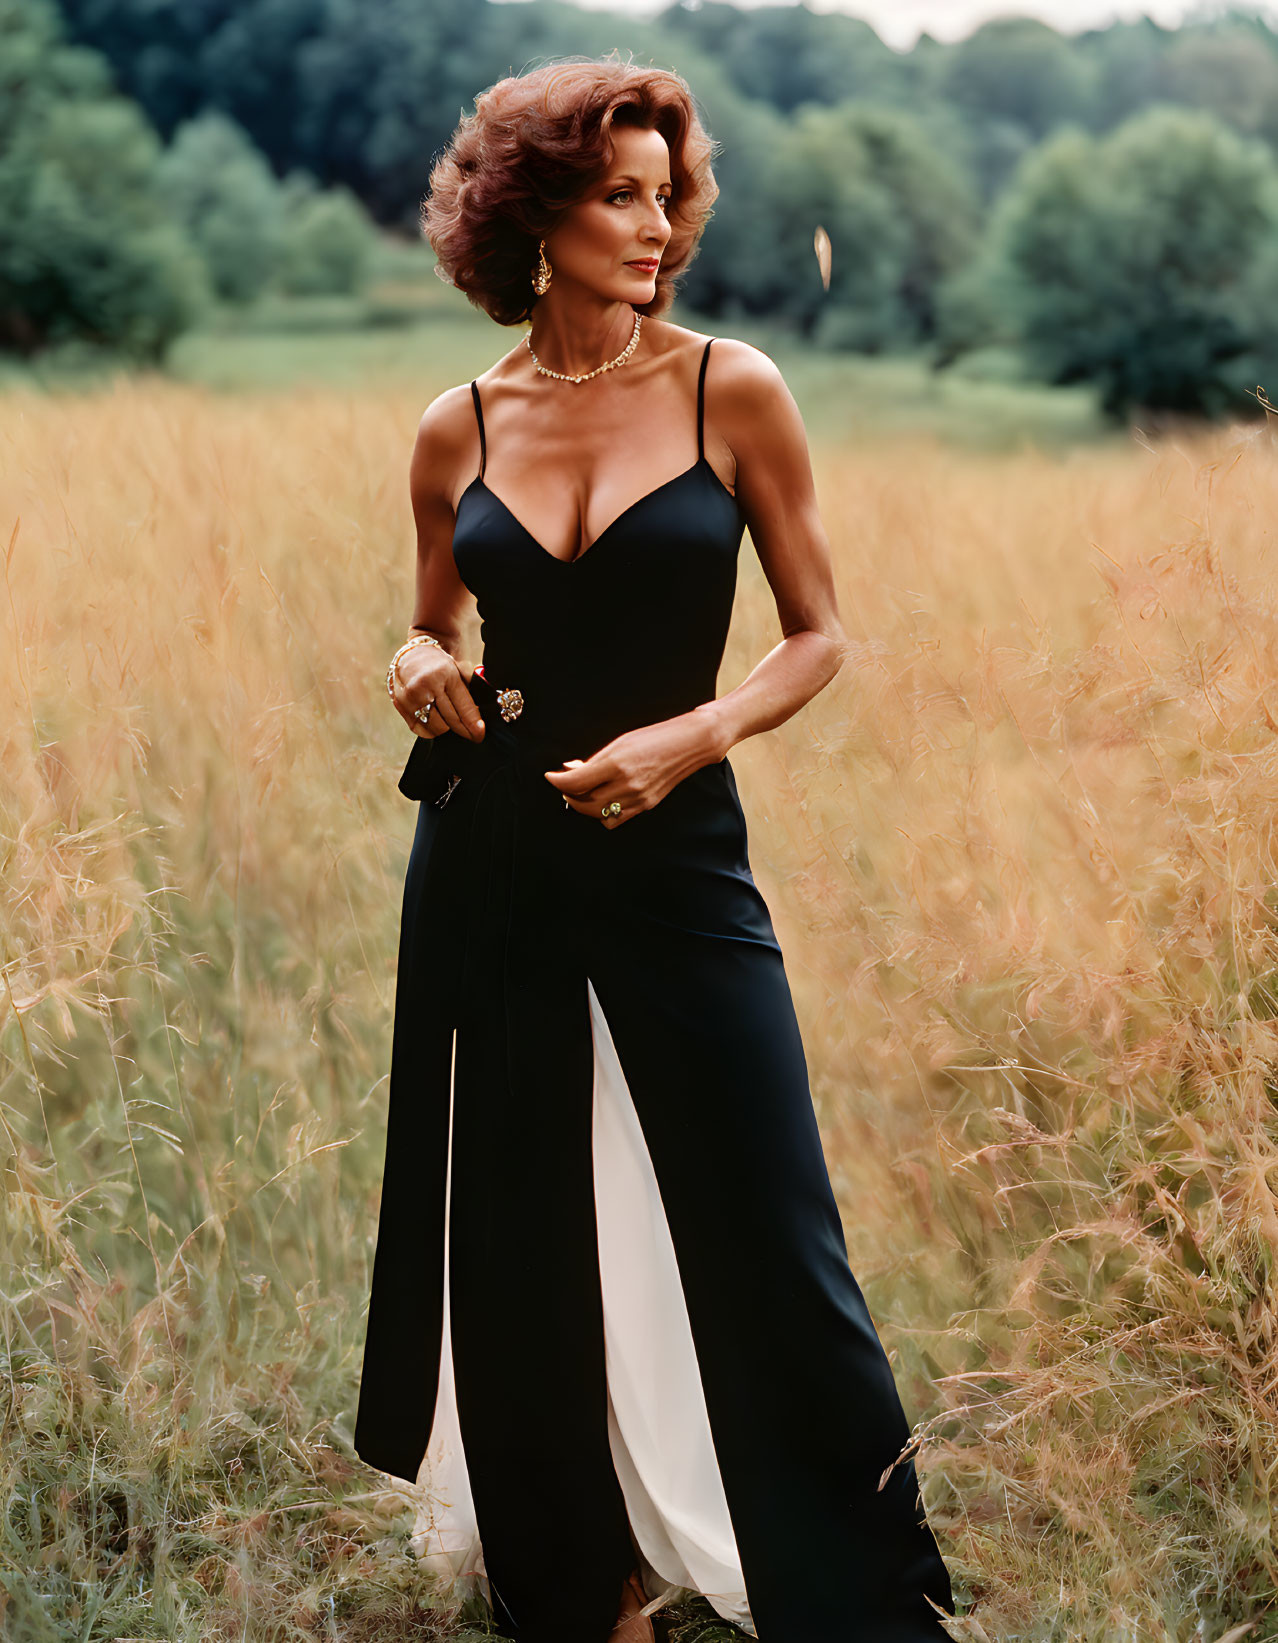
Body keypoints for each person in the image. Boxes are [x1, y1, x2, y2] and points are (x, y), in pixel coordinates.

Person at [353, 56, 956, 1643]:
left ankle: (855, 1593)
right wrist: (416, 667)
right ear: (528, 213)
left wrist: (687, 736)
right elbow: (430, 629)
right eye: (616, 192)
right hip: (496, 868)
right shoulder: (454, 425)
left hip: (680, 864)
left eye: (664, 191)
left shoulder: (728, 389)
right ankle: (581, 1586)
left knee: (772, 1232)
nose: (656, 221)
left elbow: (817, 638)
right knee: (523, 1236)